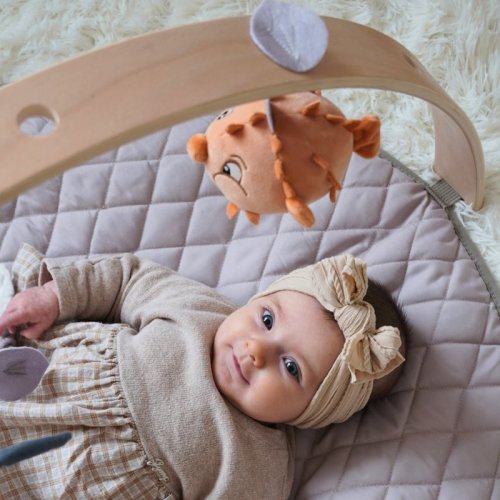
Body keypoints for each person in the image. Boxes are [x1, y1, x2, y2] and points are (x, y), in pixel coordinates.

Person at [0, 243, 406, 499]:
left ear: (312, 412)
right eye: (266, 319)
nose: (255, 351)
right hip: (37, 389)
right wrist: (54, 297)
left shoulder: (259, 468)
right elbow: (126, 280)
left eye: (290, 367)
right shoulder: (199, 309)